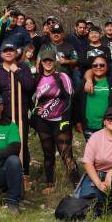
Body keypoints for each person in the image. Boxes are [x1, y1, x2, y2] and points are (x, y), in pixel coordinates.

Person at [32, 48, 78, 193]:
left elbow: (70, 99)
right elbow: (33, 99)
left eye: (50, 60)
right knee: (48, 154)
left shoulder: (62, 76)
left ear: (55, 61)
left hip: (60, 121)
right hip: (43, 122)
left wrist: (66, 119)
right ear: (41, 62)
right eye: (45, 60)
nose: (48, 63)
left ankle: (77, 185)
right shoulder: (37, 78)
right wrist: (34, 114)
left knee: (66, 154)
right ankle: (50, 184)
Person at [0, 41, 35, 181]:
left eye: (11, 50)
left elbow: (30, 86)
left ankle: (24, 174)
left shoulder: (23, 67)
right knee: (5, 144)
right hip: (3, 114)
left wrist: (17, 71)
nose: (8, 53)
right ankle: (5, 175)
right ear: (1, 54)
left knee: (21, 143)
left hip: (20, 112)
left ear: (16, 53)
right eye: (5, 50)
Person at [76, 54, 112, 136]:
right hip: (89, 126)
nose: (98, 67)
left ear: (107, 67)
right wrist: (78, 121)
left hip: (107, 126)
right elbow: (77, 102)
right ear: (91, 68)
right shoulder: (85, 82)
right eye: (95, 65)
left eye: (102, 65)